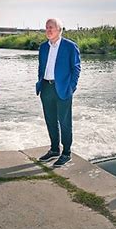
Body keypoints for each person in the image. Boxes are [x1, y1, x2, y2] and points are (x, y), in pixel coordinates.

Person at [36, 18, 81, 167]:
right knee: (50, 120)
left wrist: (71, 87)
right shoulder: (43, 47)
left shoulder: (70, 46)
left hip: (63, 89)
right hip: (46, 88)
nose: (48, 30)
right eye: (46, 28)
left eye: (51, 28)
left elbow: (76, 68)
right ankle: (54, 149)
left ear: (59, 30)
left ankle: (66, 152)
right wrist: (40, 83)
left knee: (65, 122)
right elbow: (41, 67)